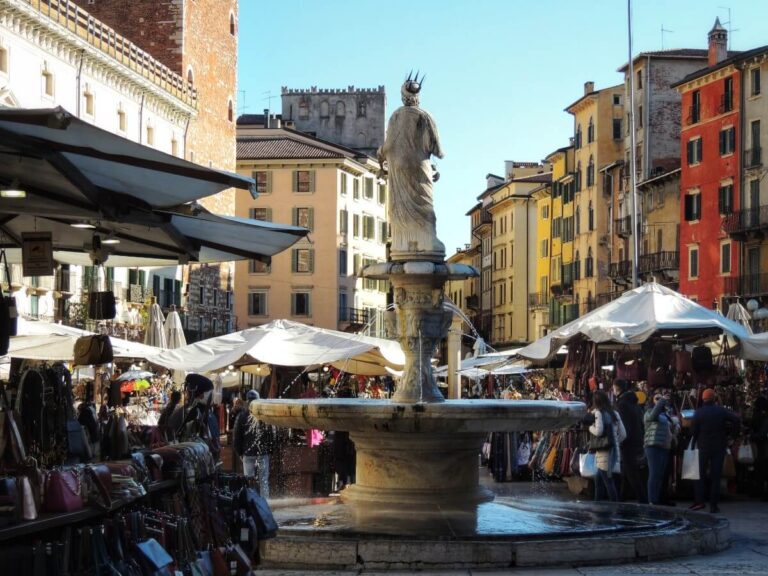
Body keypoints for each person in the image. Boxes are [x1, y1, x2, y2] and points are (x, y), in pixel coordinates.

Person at [377, 71, 445, 260]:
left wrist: (380, 154)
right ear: (417, 97)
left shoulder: (395, 116)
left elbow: (388, 144)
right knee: (424, 202)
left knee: (399, 204)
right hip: (419, 166)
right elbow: (438, 150)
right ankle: (427, 239)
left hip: (398, 168)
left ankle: (401, 240)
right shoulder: (424, 116)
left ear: (402, 96)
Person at [690, 388, 741, 513]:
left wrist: (695, 441)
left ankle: (700, 501)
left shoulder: (698, 412)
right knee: (716, 476)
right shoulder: (720, 411)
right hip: (719, 447)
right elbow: (736, 419)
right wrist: (732, 437)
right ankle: (713, 505)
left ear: (703, 398)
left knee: (700, 475)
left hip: (703, 447)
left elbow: (693, 431)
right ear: (714, 398)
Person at [233, 390, 275, 498]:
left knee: (248, 480)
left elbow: (237, 436)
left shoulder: (242, 416)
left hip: (248, 453)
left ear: (248, 401)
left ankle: (251, 502)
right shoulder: (264, 415)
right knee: (263, 480)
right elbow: (272, 434)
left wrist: (240, 452)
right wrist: (270, 450)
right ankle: (265, 503)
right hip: (262, 452)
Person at [612, 379, 648, 503]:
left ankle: (643, 500)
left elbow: (624, 426)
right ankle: (622, 499)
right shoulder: (635, 404)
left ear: (617, 389)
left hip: (628, 442)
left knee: (631, 473)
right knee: (628, 473)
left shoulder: (622, 405)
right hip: (637, 440)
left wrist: (620, 440)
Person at [588, 390, 627, 501]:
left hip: (604, 453)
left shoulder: (598, 413)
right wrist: (614, 442)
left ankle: (614, 508)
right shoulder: (615, 413)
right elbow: (624, 434)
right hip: (614, 451)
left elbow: (599, 431)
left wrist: (590, 428)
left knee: (608, 483)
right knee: (599, 482)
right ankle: (599, 507)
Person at [644, 391, 679, 505]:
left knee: (660, 474)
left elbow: (672, 429)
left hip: (664, 446)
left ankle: (657, 499)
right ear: (652, 400)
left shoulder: (665, 415)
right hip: (653, 445)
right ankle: (652, 500)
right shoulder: (649, 412)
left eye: (661, 398)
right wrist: (662, 400)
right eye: (657, 398)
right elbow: (653, 415)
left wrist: (676, 425)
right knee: (654, 473)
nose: (660, 400)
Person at [751, 396, 768, 500]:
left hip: (763, 449)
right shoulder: (763, 416)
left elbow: (762, 434)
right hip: (763, 448)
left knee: (761, 470)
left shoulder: (761, 417)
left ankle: (760, 491)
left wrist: (752, 436)